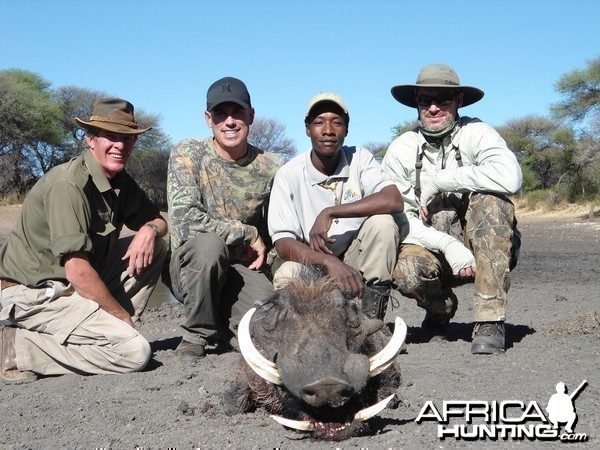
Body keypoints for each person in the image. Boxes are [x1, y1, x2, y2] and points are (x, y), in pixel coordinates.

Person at [0, 98, 168, 382]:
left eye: (127, 138)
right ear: (91, 140)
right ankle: (17, 348)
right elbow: (77, 270)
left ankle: (107, 334)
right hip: (34, 295)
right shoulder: (68, 185)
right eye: (110, 137)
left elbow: (161, 221)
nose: (120, 145)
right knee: (135, 353)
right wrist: (120, 318)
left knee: (158, 246)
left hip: (72, 285)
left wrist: (148, 231)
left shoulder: (120, 180)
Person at [382, 64, 522, 354]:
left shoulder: (478, 133)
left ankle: (489, 320)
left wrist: (443, 180)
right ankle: (440, 312)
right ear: (416, 104)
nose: (433, 108)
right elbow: (400, 217)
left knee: (492, 203)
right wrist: (447, 244)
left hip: (484, 246)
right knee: (403, 269)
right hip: (432, 249)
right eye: (425, 100)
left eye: (443, 100)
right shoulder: (400, 149)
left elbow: (511, 177)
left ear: (459, 101)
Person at [166, 76, 283, 361]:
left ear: (251, 115)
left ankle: (226, 323)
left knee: (269, 326)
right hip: (191, 265)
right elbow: (184, 224)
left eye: (238, 112)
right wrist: (246, 233)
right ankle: (196, 334)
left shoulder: (273, 165)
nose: (229, 121)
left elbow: (279, 227)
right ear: (209, 119)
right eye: (221, 113)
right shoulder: (187, 153)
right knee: (209, 246)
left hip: (240, 269)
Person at [268, 92, 403, 320]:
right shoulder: (288, 174)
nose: (328, 130)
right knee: (286, 274)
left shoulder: (360, 158)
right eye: (319, 122)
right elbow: (282, 243)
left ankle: (371, 324)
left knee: (383, 223)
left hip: (354, 263)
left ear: (347, 129)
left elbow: (393, 199)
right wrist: (327, 261)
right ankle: (303, 333)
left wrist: (330, 211)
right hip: (311, 265)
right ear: (307, 129)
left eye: (337, 122)